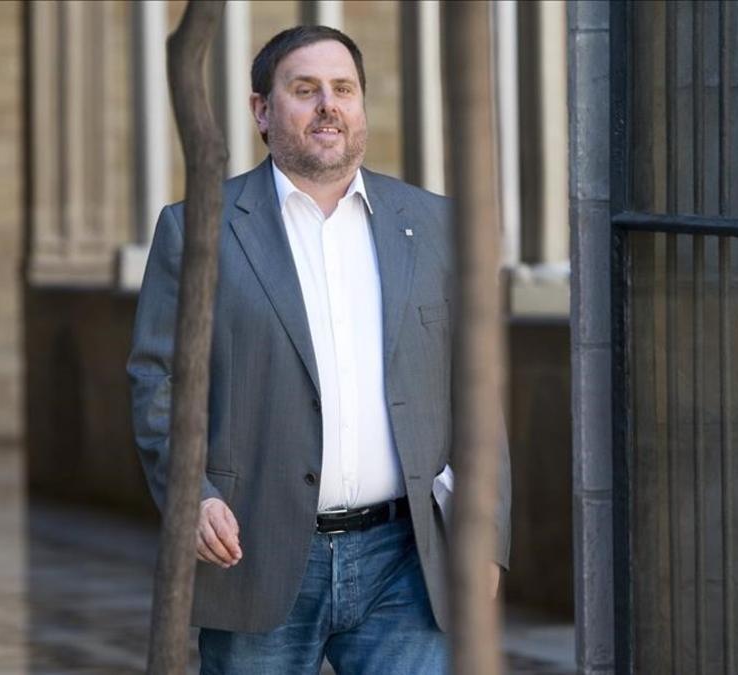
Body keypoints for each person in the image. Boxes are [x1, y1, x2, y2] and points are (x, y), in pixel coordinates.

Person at [127, 25, 511, 675]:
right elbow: (156, 376)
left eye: (343, 89)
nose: (327, 105)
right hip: (257, 556)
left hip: (409, 562)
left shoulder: (436, 224)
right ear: (262, 110)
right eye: (304, 90)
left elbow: (474, 387)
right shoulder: (200, 228)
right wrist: (192, 492)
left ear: (362, 105)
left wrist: (487, 531)